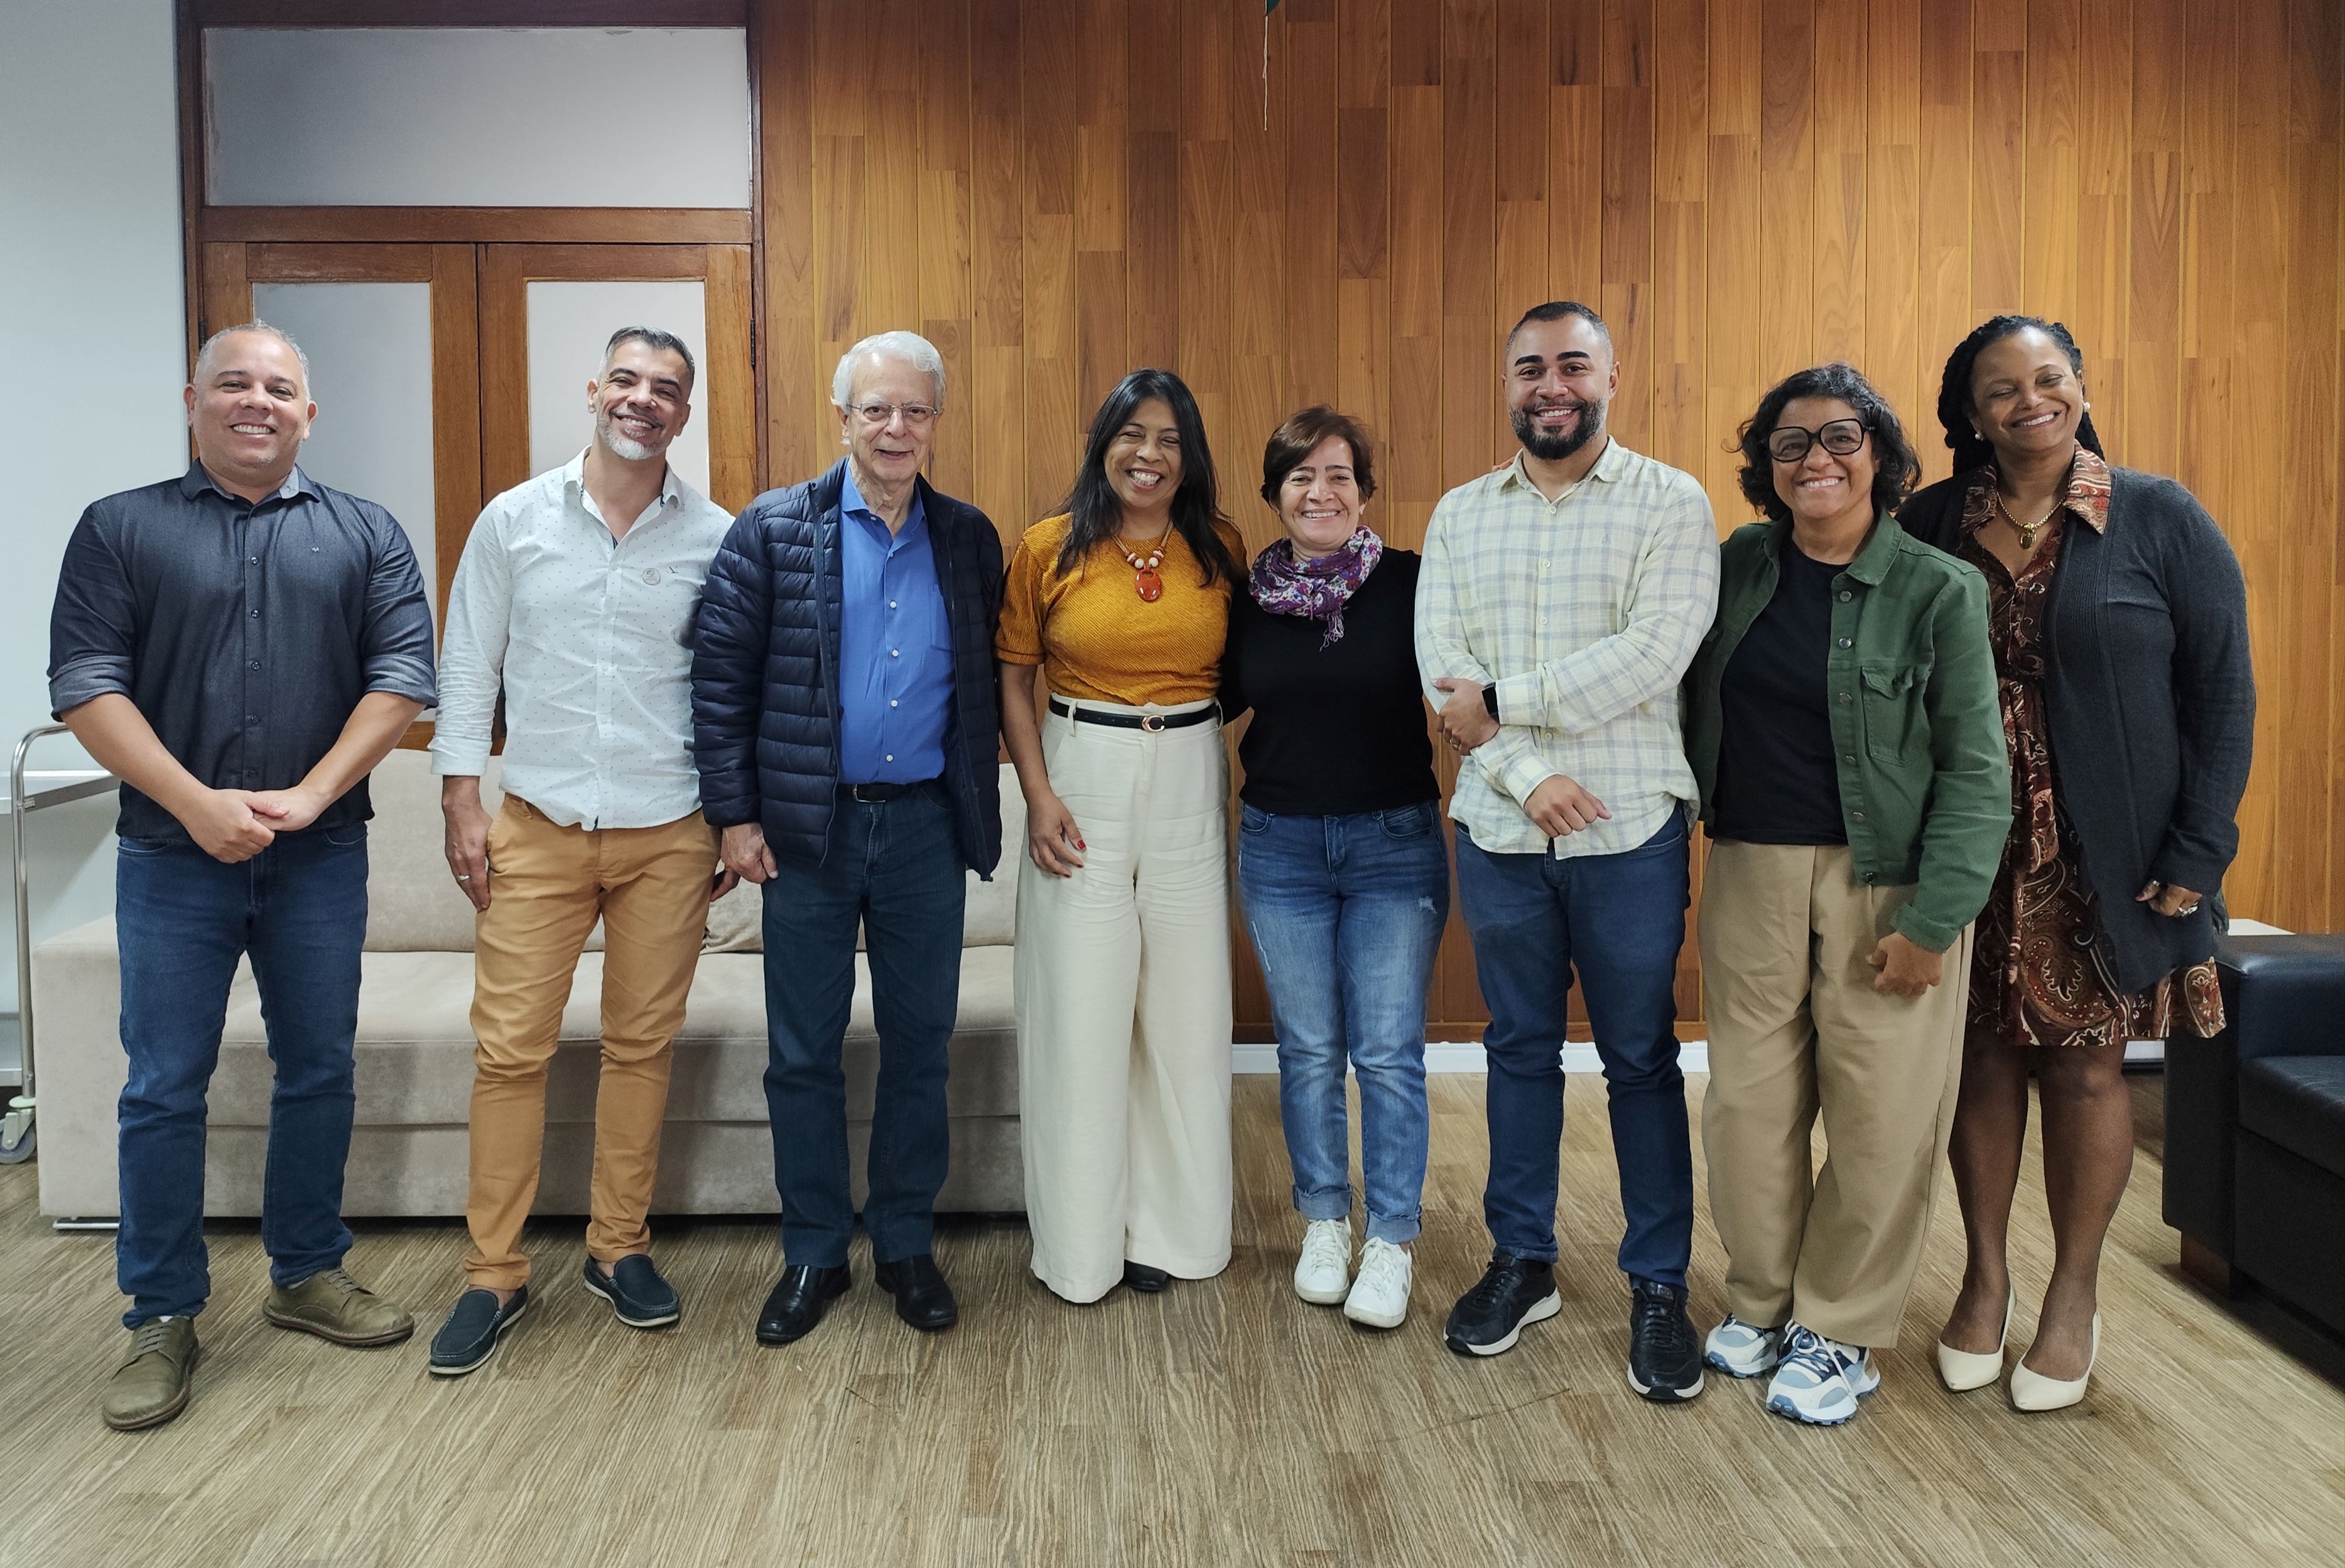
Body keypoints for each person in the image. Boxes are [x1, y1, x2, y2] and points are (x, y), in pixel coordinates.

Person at [48, 322, 436, 1430]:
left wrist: (310, 795)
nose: (256, 401)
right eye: (235, 383)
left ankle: (307, 1272)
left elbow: (404, 674)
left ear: (309, 413)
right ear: (192, 400)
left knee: (319, 1067)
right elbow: (85, 682)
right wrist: (193, 802)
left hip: (321, 856)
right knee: (161, 1085)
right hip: (171, 858)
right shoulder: (122, 529)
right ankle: (160, 1315)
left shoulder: (365, 532)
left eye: (279, 388)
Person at [1900, 316, 2253, 1411]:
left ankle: (2073, 1295)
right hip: (1961, 841)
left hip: (2113, 850)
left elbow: (2223, 692)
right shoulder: (1927, 520)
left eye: (2046, 379)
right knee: (1980, 1063)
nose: (2026, 401)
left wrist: (2198, 850)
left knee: (2084, 1069)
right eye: (1998, 388)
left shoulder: (2158, 515)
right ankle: (1985, 1277)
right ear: (1968, 411)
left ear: (2080, 384)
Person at [1681, 364, 2008, 1425]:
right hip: (1750, 870)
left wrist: (1934, 923)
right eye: (1788, 443)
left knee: (1880, 1116)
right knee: (1748, 1105)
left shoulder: (1939, 587)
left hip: (1890, 884)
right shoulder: (1736, 564)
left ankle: (1839, 1329)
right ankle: (1764, 1299)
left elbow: (1974, 771)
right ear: (1764, 467)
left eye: (1838, 437)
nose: (1814, 459)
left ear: (1880, 453)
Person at [1416, 300, 1719, 1399]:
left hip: (1630, 826)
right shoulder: (1458, 513)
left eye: (1572, 366)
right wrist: (1521, 767)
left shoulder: (1669, 501)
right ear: (1505, 384)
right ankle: (1523, 1259)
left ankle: (1655, 1284)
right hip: (1500, 828)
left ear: (1611, 376)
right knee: (1517, 1047)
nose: (1551, 385)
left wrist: (1505, 705)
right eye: (1530, 368)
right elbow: (1439, 674)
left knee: (1640, 1055)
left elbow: (1655, 653)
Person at [424, 327, 735, 1376]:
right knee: (510, 1051)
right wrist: (462, 797)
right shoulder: (514, 520)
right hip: (541, 825)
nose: (644, 401)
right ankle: (493, 1273)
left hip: (669, 832)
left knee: (642, 1048)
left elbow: (729, 691)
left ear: (684, 414)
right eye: (629, 381)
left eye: (667, 390)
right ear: (595, 389)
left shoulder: (717, 537)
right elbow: (467, 662)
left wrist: (734, 814)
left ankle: (618, 1248)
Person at [692, 330, 1005, 1346]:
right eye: (876, 409)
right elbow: (720, 682)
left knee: (921, 1046)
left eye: (914, 410)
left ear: (934, 422)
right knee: (802, 1053)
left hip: (923, 828)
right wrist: (734, 815)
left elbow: (991, 684)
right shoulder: (772, 529)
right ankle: (815, 1249)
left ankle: (906, 1242)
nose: (895, 427)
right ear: (843, 418)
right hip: (806, 832)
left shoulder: (966, 538)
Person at [996, 367, 1247, 1305]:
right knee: (1081, 1015)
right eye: (1132, 435)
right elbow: (1013, 677)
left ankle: (1175, 1235)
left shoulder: (1216, 547)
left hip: (1188, 770)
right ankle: (1080, 1249)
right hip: (1081, 775)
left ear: (1190, 458)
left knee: (1185, 1016)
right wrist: (1037, 790)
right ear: (1103, 444)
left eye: (1170, 439)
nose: (1149, 454)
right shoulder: (1048, 548)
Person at [1222, 406, 1443, 1330]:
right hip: (1279, 845)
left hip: (1392, 843)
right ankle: (1324, 1219)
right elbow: (1202, 700)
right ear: (1274, 493)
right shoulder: (1244, 600)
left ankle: (1390, 1236)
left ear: (1365, 491)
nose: (1321, 491)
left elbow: (1463, 685)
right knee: (1307, 1048)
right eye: (1301, 476)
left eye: (1340, 474)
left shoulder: (1413, 584)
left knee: (1387, 1050)